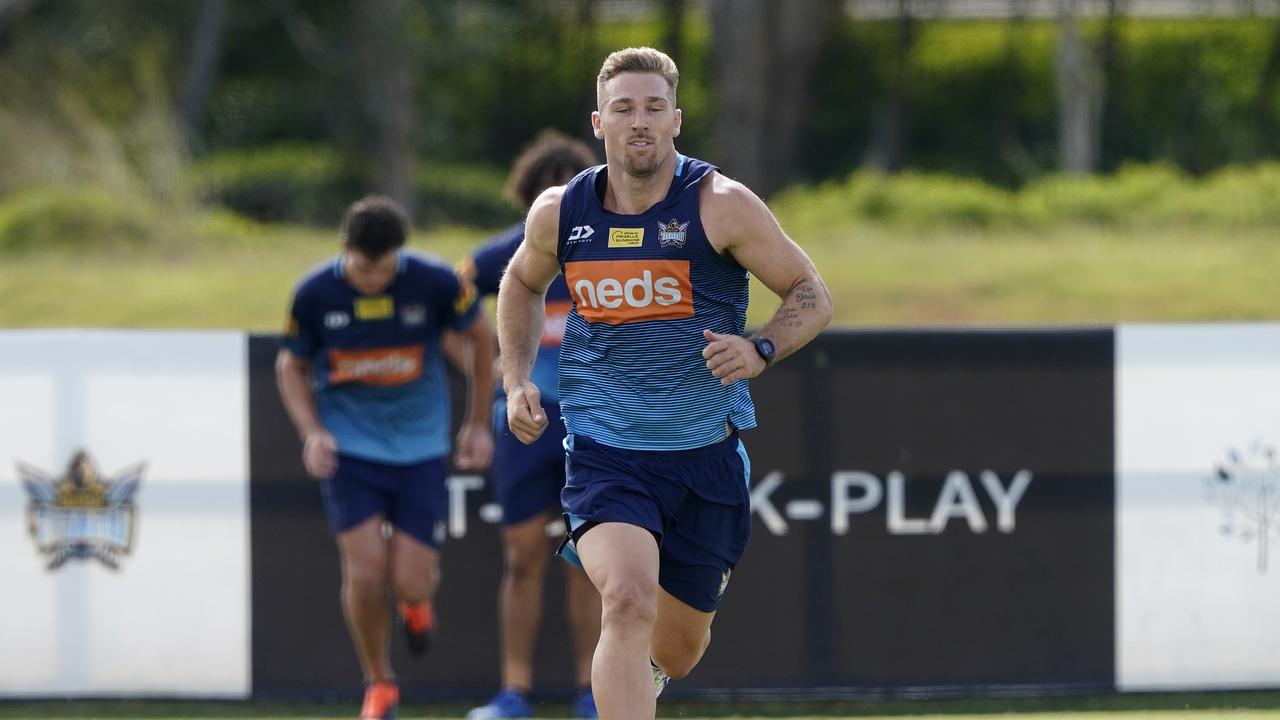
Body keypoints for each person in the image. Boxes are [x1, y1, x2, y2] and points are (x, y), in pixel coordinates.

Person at [496, 47, 832, 720]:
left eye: (653, 108)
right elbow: (519, 284)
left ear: (676, 121)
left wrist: (760, 346)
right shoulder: (561, 213)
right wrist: (515, 380)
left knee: (679, 650)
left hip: (704, 456)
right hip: (604, 452)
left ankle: (645, 674)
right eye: (624, 109)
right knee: (624, 598)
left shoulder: (722, 206)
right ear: (600, 122)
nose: (639, 122)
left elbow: (810, 293)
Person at [276, 195, 494, 720]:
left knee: (411, 579)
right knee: (366, 573)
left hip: (420, 450)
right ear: (343, 249)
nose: (373, 279)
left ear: (400, 253)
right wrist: (312, 433)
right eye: (362, 266)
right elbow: (290, 366)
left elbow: (482, 340)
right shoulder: (312, 293)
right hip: (350, 453)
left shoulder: (437, 282)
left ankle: (416, 607)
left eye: (384, 267)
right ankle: (379, 682)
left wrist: (477, 424)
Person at [460, 130, 604, 720]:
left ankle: (593, 692)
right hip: (524, 423)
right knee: (521, 558)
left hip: (598, 423)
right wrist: (488, 366)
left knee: (592, 561)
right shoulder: (498, 257)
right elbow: (453, 316)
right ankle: (513, 693)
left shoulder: (608, 248)